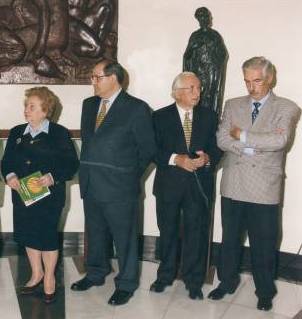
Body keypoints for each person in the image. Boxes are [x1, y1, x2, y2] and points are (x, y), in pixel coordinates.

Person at [208, 57, 300, 311]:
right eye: (247, 81)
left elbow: (279, 141)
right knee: (229, 239)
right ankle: (227, 282)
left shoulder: (287, 107)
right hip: (234, 183)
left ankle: (265, 291)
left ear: (270, 78)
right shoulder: (233, 104)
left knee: (265, 243)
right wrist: (250, 147)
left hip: (264, 187)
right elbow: (222, 140)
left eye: (257, 80)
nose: (251, 87)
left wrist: (244, 136)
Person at [71, 60, 156, 306]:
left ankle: (127, 284)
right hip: (91, 182)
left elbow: (148, 149)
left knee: (125, 238)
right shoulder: (89, 105)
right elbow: (90, 143)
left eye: (97, 77)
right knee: (95, 234)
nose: (92, 81)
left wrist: (128, 175)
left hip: (120, 186)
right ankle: (96, 273)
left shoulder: (137, 108)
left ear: (114, 78)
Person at [1, 86, 79, 303]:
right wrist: (10, 176)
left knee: (47, 236)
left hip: (49, 197)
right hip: (22, 195)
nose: (26, 110)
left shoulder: (59, 133)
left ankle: (49, 278)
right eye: (26, 106)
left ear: (45, 110)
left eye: (32, 106)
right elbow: (6, 161)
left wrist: (52, 177)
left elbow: (71, 164)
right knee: (28, 234)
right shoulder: (17, 132)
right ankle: (36, 274)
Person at [150, 72, 222, 299]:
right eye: (191, 88)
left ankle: (193, 282)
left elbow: (218, 147)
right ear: (176, 93)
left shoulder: (210, 116)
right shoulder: (159, 117)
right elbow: (152, 149)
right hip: (168, 185)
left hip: (198, 186)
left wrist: (208, 158)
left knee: (196, 234)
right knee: (168, 231)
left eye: (198, 88)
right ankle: (165, 276)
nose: (197, 93)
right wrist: (176, 159)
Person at [183, 7, 228, 116]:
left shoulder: (215, 35)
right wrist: (193, 47)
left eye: (206, 17)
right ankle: (196, 117)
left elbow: (223, 54)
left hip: (211, 72)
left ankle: (210, 119)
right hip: (197, 71)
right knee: (196, 95)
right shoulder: (195, 36)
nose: (204, 20)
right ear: (198, 20)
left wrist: (213, 48)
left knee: (210, 96)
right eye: (201, 18)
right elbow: (186, 56)